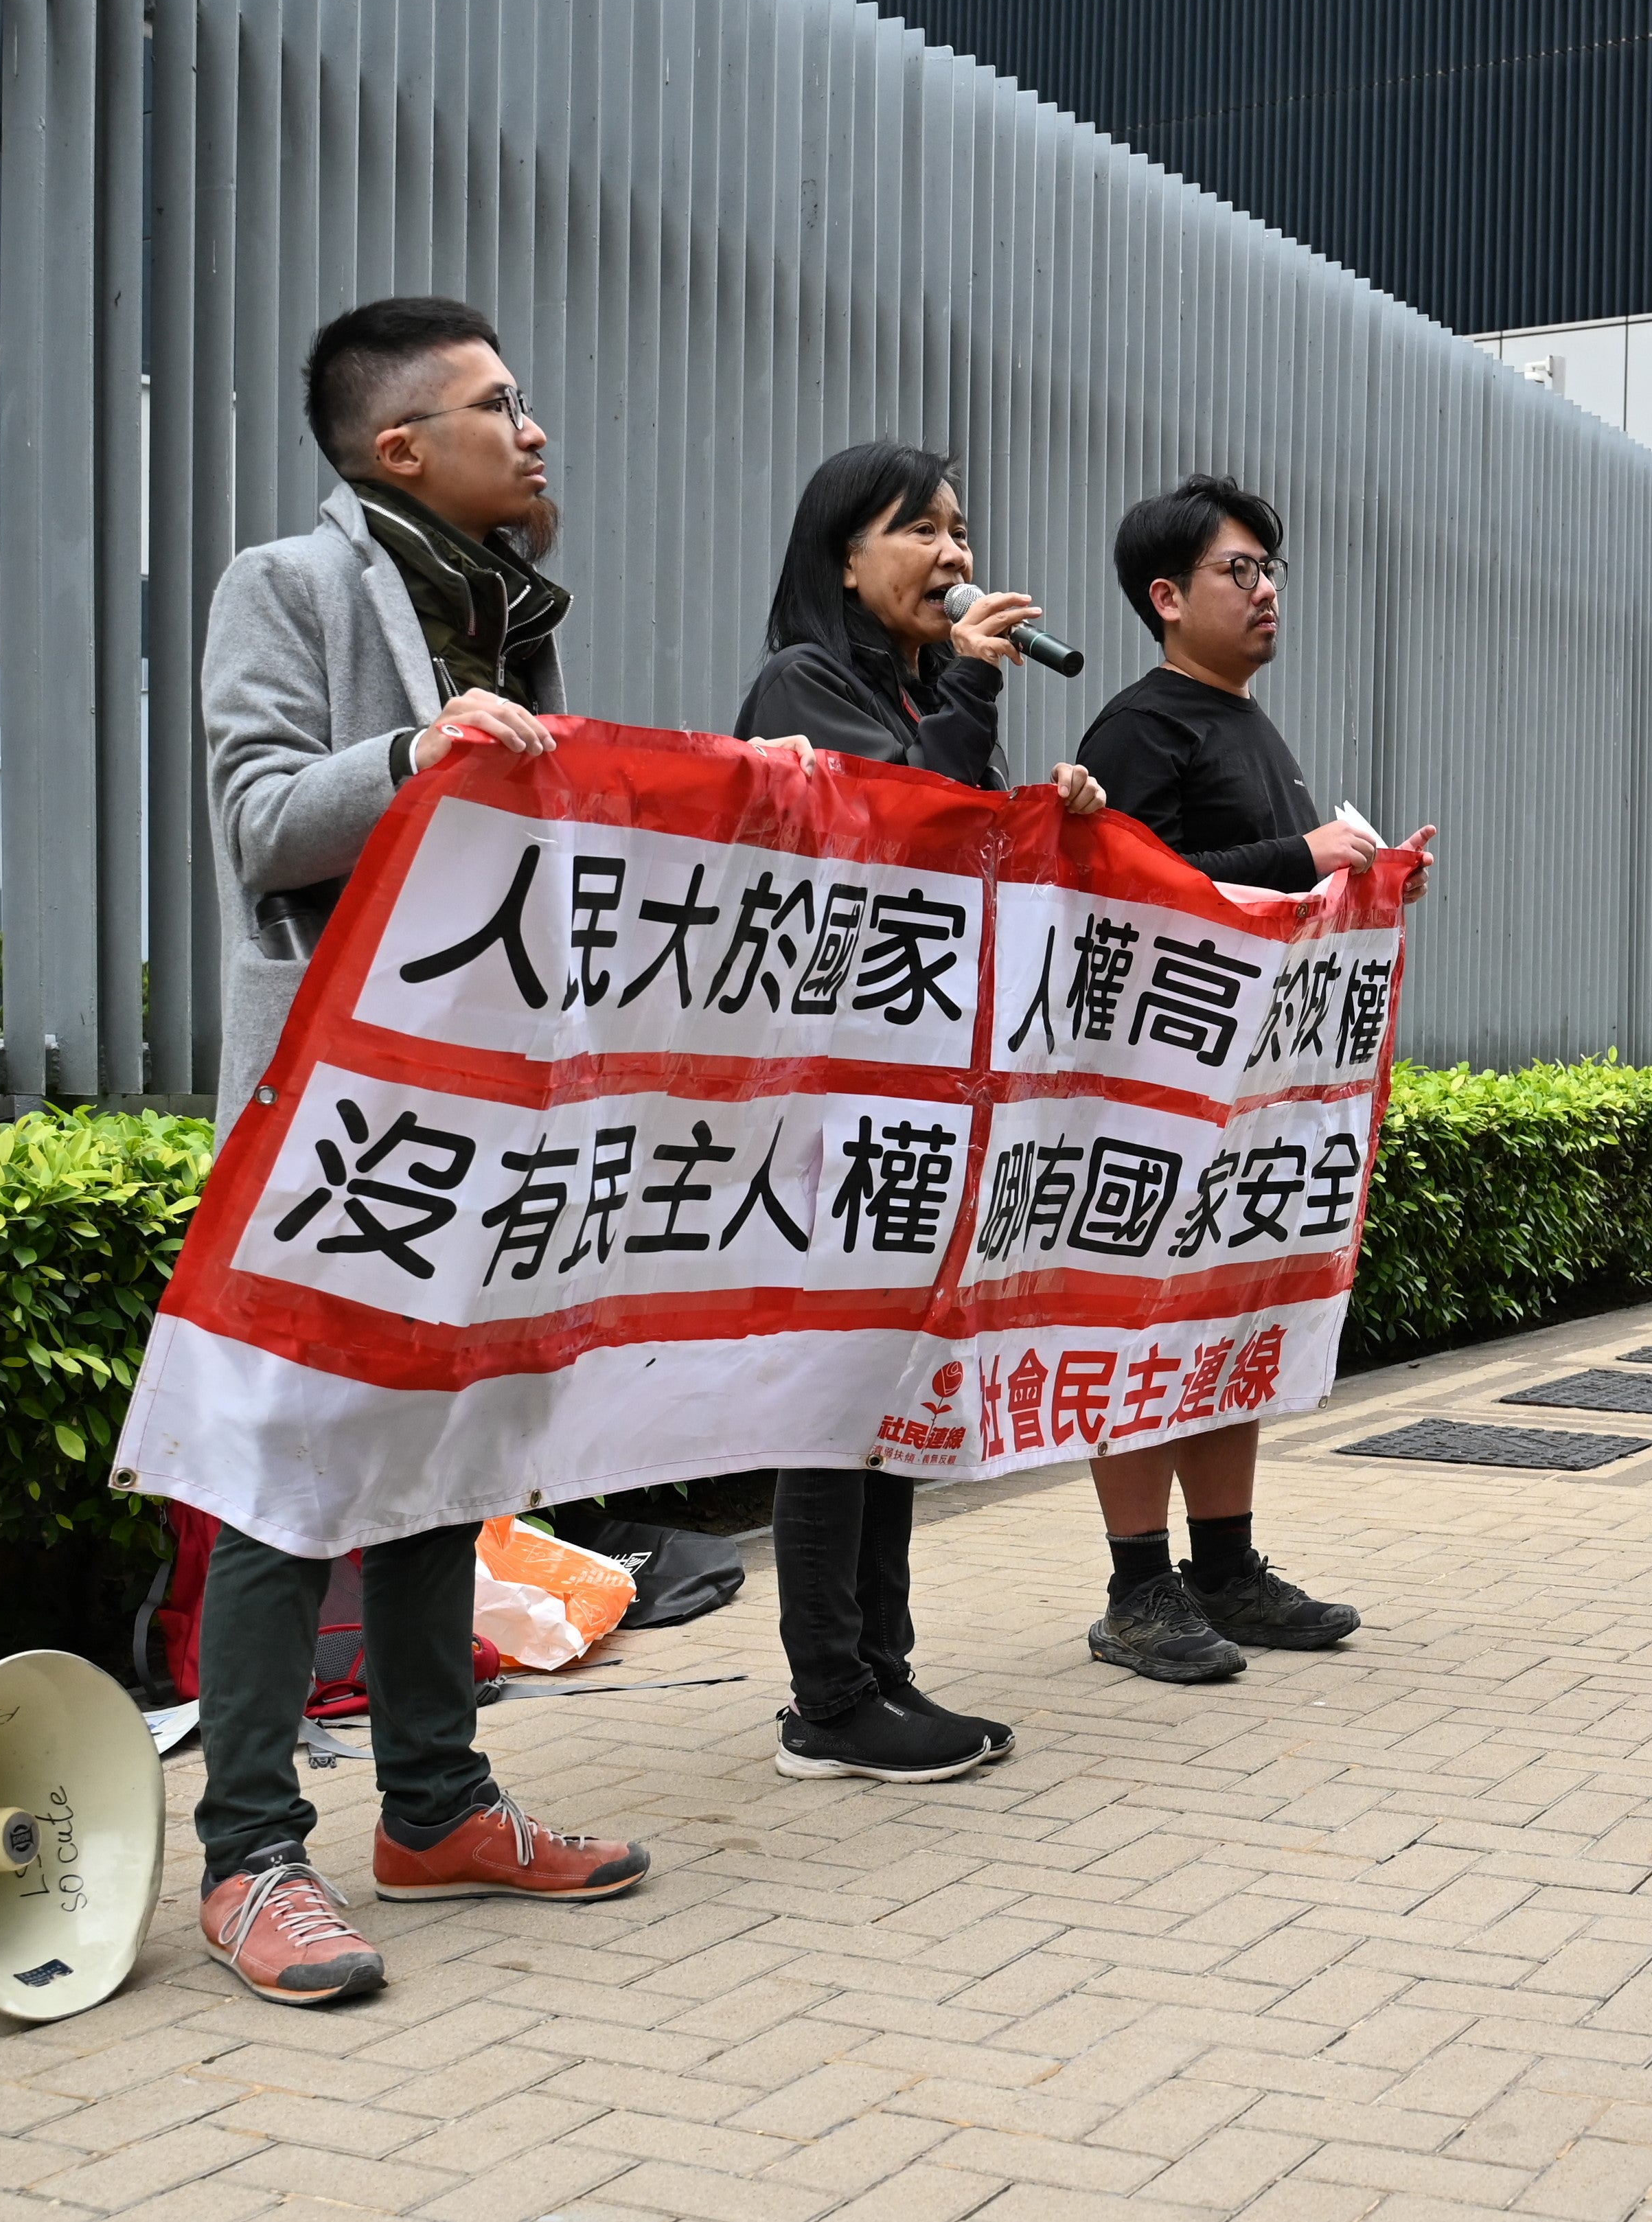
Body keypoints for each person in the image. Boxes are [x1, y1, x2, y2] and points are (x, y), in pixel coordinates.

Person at [186, 297, 651, 2006]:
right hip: (334, 1100)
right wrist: (412, 748)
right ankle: (247, 1851)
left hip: (477, 1092)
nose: (534, 432)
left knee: (450, 1443)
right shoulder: (289, 586)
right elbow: (257, 822)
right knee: (290, 1464)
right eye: (498, 406)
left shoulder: (509, 615)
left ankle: (436, 1804)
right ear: (401, 447)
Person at [729, 442, 1112, 1783]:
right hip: (824, 1103)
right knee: (836, 1399)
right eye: (923, 533)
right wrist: (971, 694)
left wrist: (1047, 816)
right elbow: (907, 833)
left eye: (963, 531)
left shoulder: (907, 682)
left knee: (884, 1391)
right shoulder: (804, 682)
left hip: (906, 1100)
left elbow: (961, 850)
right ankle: (827, 1695)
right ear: (845, 553)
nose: (957, 556)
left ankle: (878, 1671)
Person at [1069, 474, 1436, 1681]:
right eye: (1240, 569)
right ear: (1166, 597)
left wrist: (1359, 892)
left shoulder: (1244, 721)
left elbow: (1262, 902)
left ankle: (1226, 1568)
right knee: (1136, 1331)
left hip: (1241, 1100)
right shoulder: (1138, 726)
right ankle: (1138, 1587)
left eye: (1272, 568)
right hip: (1146, 1097)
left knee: (1225, 1319)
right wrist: (1302, 853)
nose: (1267, 588)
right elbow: (1128, 888)